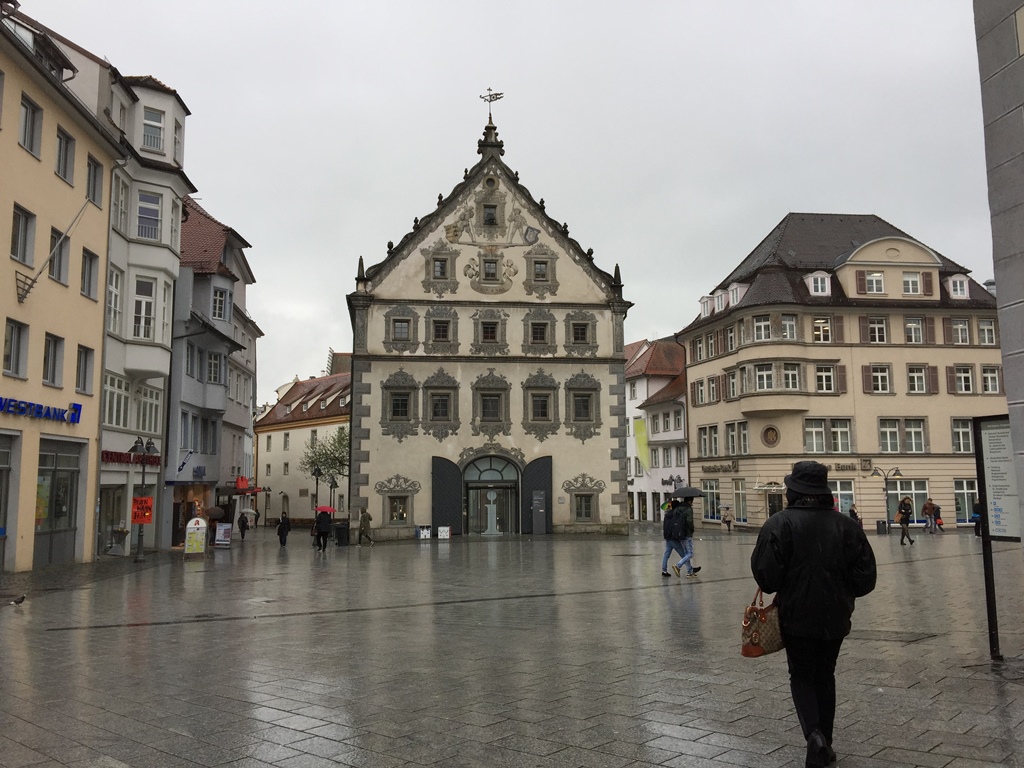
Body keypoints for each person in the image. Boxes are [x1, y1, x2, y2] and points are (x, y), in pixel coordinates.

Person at [751, 461, 877, 768]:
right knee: (826, 674)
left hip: (795, 615)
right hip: (836, 615)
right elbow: (866, 578)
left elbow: (766, 578)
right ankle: (826, 743)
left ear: (793, 492)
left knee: (802, 675)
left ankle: (815, 737)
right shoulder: (847, 526)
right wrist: (842, 589)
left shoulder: (779, 524)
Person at [675, 496, 701, 577]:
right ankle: (678, 566)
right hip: (687, 533)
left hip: (679, 533)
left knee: (686, 553)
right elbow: (689, 521)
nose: (692, 503)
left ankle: (689, 572)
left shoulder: (677, 508)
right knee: (690, 553)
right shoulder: (688, 509)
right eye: (692, 501)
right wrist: (692, 529)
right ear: (689, 501)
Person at [661, 501, 688, 577]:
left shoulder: (667, 514)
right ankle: (690, 569)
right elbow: (678, 527)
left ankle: (664, 570)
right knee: (683, 554)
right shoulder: (677, 514)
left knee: (666, 554)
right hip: (674, 538)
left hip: (668, 537)